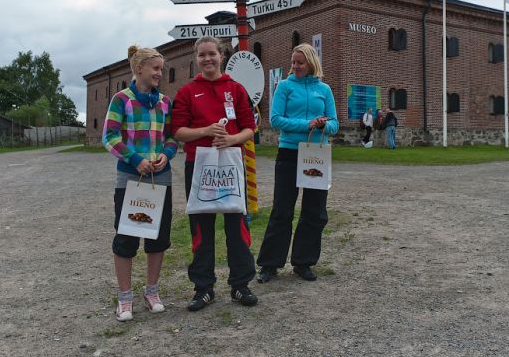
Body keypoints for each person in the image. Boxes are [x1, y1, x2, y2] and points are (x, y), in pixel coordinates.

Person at [171, 36, 259, 311]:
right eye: (202, 55)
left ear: (221, 56)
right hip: (199, 166)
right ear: (196, 59)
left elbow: (249, 127)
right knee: (201, 228)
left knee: (237, 225)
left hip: (231, 165)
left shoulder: (235, 88)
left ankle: (240, 285)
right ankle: (203, 287)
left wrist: (231, 139)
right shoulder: (187, 91)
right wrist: (206, 131)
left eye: (212, 54)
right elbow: (178, 130)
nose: (207, 59)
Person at [102, 45, 177, 322]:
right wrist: (135, 159)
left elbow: (172, 137)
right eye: (156, 68)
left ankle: (152, 291)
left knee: (158, 236)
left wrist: (165, 156)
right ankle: (124, 297)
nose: (160, 73)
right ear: (139, 69)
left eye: (161, 68)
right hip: (130, 177)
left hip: (160, 178)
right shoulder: (121, 100)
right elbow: (109, 137)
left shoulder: (166, 103)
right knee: (126, 236)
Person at [256, 43, 339, 283]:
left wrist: (324, 124)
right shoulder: (284, 86)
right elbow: (275, 120)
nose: (295, 66)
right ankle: (270, 264)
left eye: (300, 63)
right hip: (289, 153)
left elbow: (334, 124)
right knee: (282, 209)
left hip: (317, 153)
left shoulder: (324, 89)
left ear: (311, 63)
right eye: (293, 62)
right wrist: (307, 125)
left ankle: (303, 262)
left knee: (314, 211)